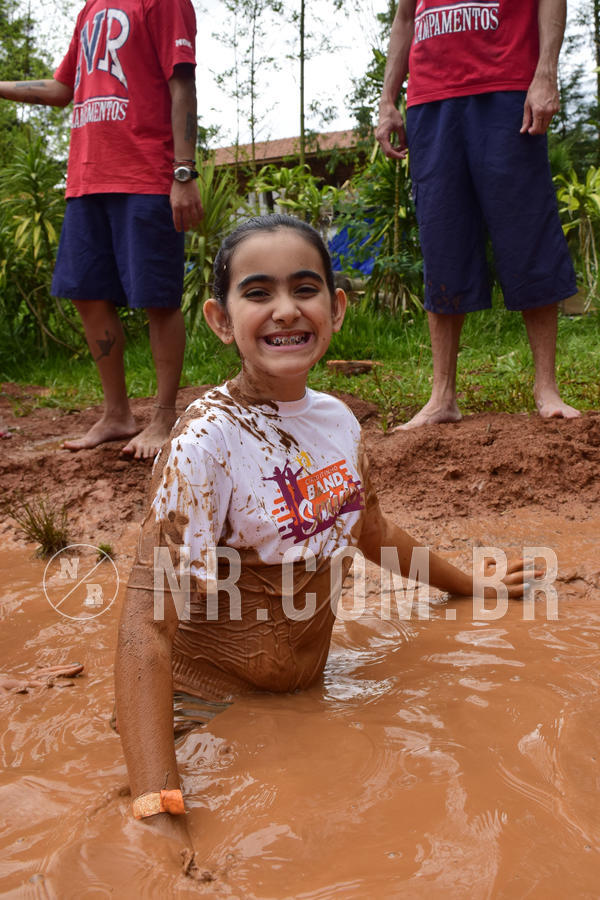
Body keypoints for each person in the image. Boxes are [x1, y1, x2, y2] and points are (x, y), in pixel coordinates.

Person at [114, 214, 534, 869]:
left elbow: (373, 532)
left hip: (306, 691)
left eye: (304, 288)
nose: (286, 309)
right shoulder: (205, 443)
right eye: (257, 293)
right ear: (221, 320)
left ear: (334, 308)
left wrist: (472, 585)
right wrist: (155, 809)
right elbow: (146, 625)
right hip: (204, 708)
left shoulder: (337, 422)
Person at [0, 0, 204, 458]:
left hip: (147, 177)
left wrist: (184, 172)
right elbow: (59, 88)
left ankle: (165, 414)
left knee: (157, 297)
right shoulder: (91, 7)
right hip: (87, 178)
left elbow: (183, 85)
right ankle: (117, 414)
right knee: (87, 293)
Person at [375, 0, 579, 429]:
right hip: (431, 100)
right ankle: (442, 395)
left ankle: (546, 388)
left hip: (505, 86)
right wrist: (387, 100)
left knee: (527, 230)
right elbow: (405, 16)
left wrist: (545, 73)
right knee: (442, 237)